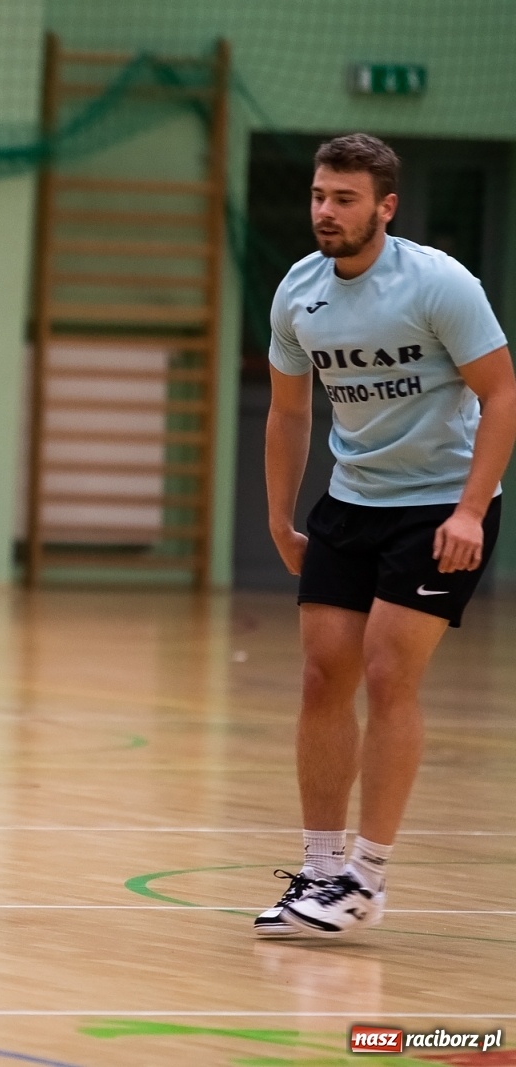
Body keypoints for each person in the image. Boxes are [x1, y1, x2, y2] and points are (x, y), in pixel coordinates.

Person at [256, 133, 515, 938]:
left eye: (344, 199)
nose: (325, 211)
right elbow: (289, 411)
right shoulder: (299, 292)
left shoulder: (439, 283)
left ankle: (366, 878)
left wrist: (469, 510)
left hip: (439, 504)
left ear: (386, 207)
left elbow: (502, 393)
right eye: (318, 196)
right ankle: (321, 870)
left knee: (386, 671)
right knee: (320, 676)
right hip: (352, 499)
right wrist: (280, 517)